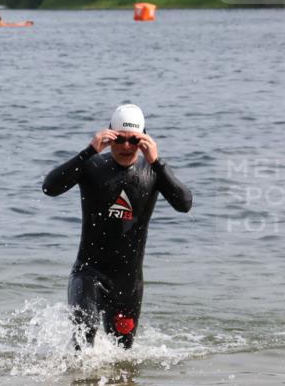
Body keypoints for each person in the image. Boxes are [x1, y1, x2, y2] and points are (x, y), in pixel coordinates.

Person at [42, 104, 192, 349]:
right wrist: (88, 151)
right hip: (88, 273)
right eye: (119, 139)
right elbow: (50, 187)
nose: (125, 147)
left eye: (133, 140)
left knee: (123, 354)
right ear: (108, 136)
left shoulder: (153, 172)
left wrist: (157, 162)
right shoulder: (91, 166)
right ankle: (77, 385)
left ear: (144, 139)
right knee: (84, 333)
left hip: (128, 283)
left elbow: (184, 204)